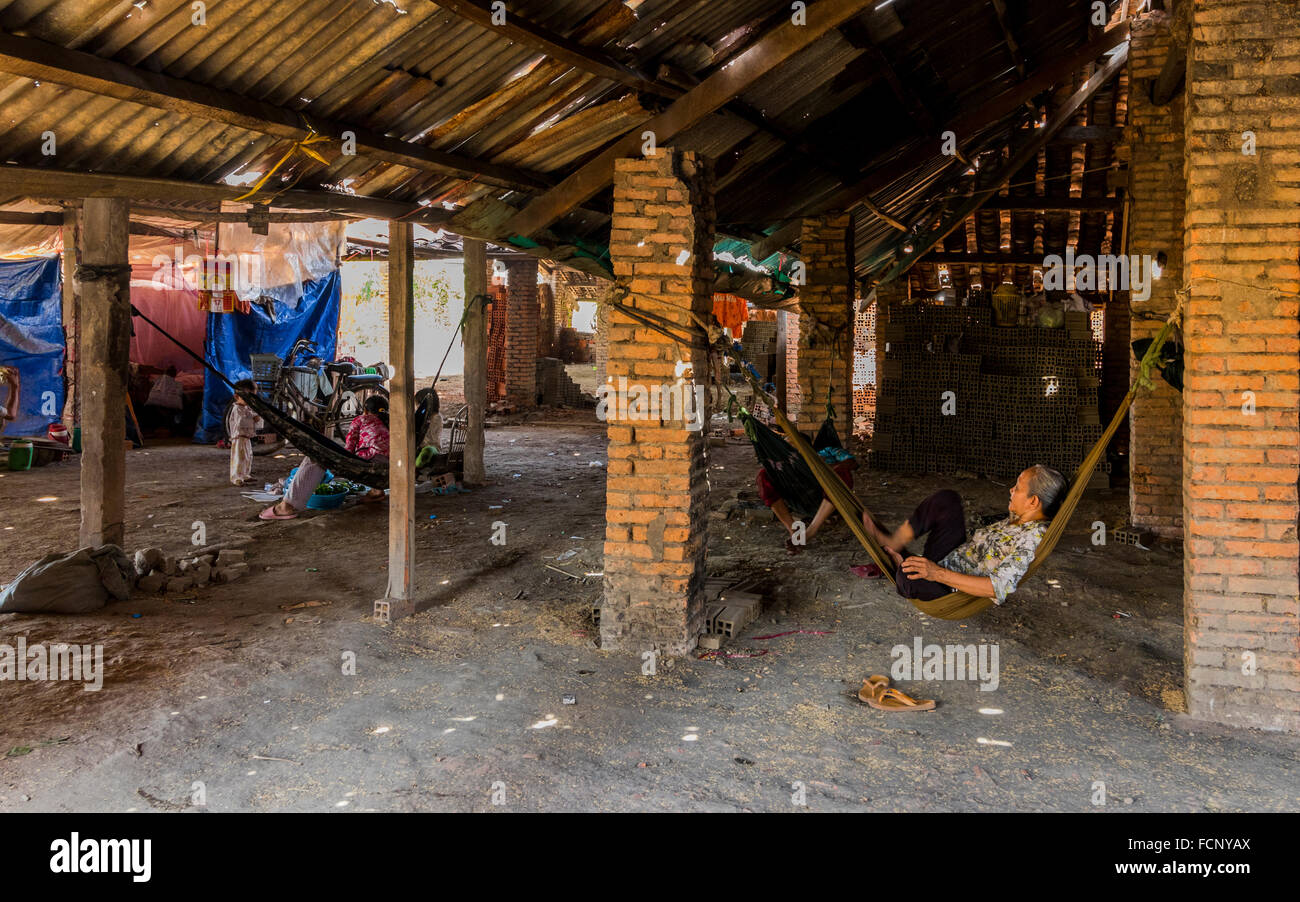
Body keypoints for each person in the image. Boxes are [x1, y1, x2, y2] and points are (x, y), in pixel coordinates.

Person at [861, 465, 1066, 604]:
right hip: (953, 557)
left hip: (950, 586)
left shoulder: (1031, 537)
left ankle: (902, 563)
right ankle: (896, 543)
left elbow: (997, 587)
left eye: (1018, 488)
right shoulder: (1023, 515)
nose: (1011, 489)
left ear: (1033, 502)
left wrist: (936, 573)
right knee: (947, 500)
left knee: (908, 579)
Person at [260, 395, 389, 520]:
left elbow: (349, 448)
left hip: (369, 462)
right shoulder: (392, 422)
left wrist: (337, 459)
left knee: (317, 457)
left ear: (365, 411)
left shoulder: (361, 419)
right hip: (390, 467)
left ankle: (286, 507)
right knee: (378, 454)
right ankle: (377, 491)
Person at [758, 444, 858, 553]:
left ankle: (810, 532)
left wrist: (825, 468)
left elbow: (852, 463)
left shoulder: (828, 451)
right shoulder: (789, 461)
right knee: (764, 474)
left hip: (825, 495)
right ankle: (793, 531)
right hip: (799, 494)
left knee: (842, 474)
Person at [226, 379, 263, 486]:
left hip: (246, 437)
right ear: (237, 397)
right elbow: (241, 422)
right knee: (239, 457)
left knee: (248, 456)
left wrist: (256, 418)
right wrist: (253, 418)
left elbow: (252, 417)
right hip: (239, 437)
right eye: (247, 397)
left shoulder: (247, 408)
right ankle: (236, 477)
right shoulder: (237, 409)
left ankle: (245, 475)